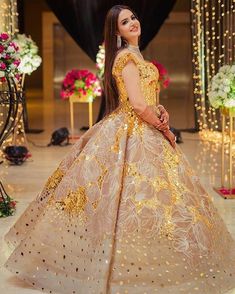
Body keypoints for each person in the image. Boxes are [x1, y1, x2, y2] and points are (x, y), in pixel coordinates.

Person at [4, 5, 235, 294]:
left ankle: (142, 254)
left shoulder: (136, 55)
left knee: (147, 198)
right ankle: (113, 264)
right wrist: (163, 129)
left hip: (141, 125)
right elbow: (137, 105)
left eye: (134, 17)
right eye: (126, 22)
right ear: (117, 32)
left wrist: (161, 111)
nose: (133, 23)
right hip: (132, 129)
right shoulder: (126, 58)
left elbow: (147, 99)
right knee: (127, 196)